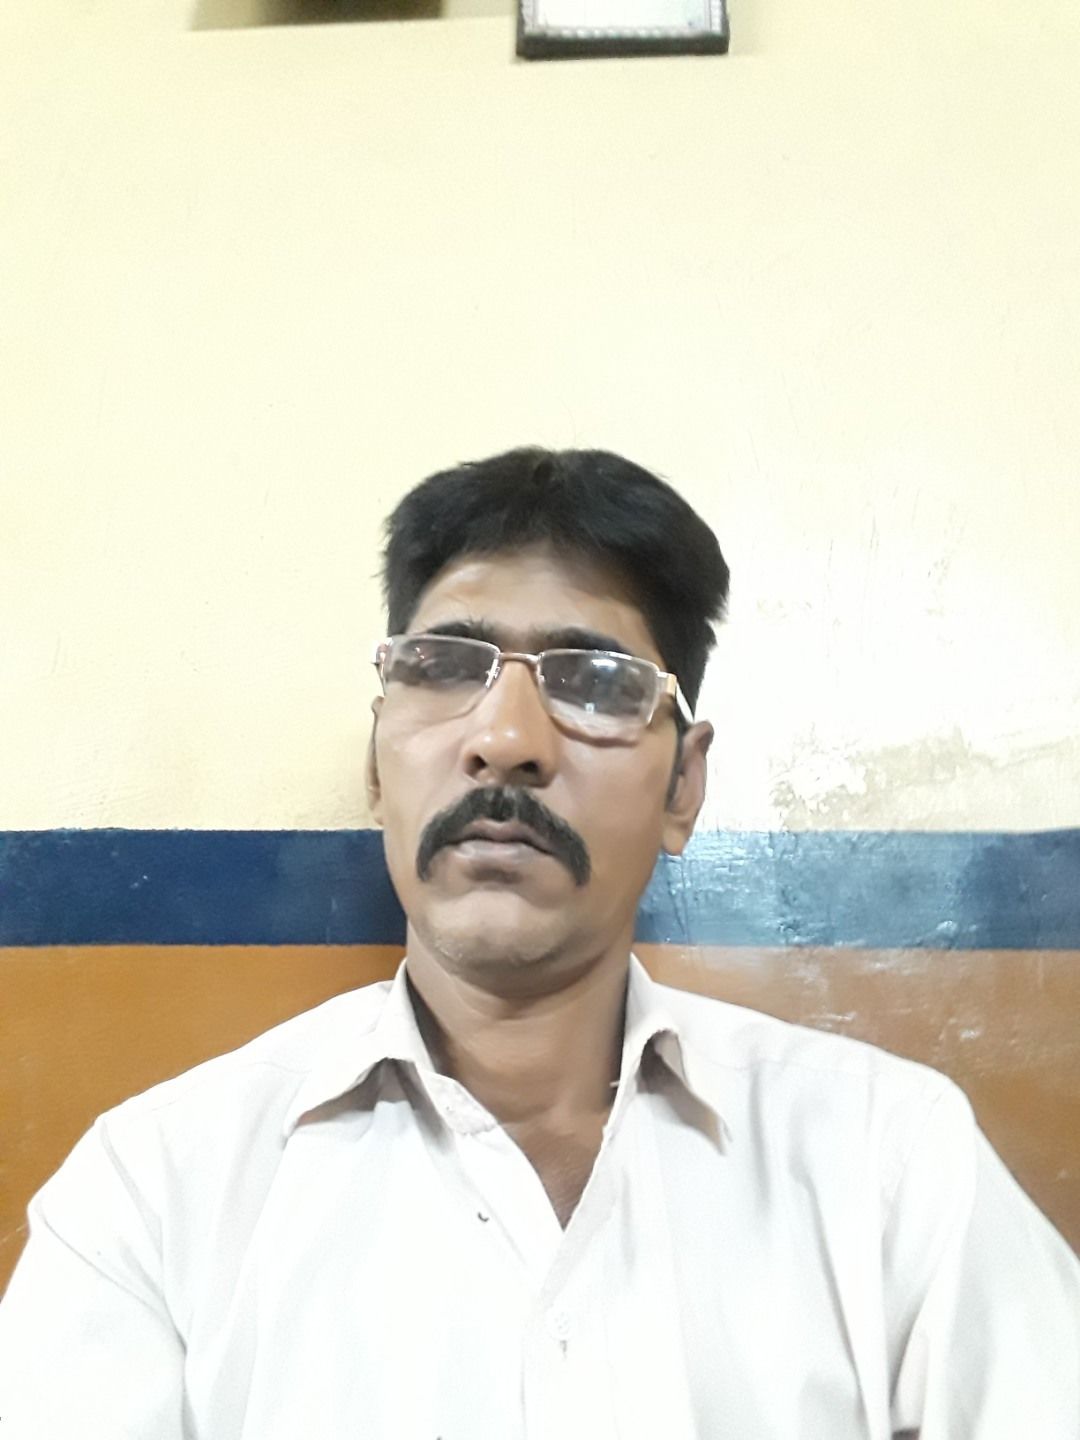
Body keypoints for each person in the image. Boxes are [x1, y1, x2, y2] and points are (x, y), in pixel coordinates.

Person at [0, 447, 1077, 1438]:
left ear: (683, 785)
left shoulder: (891, 1163)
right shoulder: (155, 1192)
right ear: (377, 764)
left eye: (595, 682)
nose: (506, 740)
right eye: (443, 666)